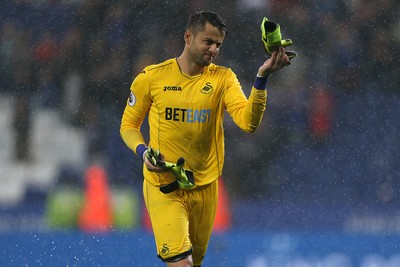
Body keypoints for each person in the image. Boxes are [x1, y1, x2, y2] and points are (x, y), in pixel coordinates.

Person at [120, 11, 290, 267]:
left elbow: (248, 123)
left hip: (206, 188)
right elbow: (128, 125)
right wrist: (143, 151)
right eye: (208, 42)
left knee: (193, 264)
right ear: (188, 37)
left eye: (218, 45)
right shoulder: (152, 78)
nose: (213, 49)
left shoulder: (223, 79)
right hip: (164, 186)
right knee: (182, 264)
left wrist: (262, 76)